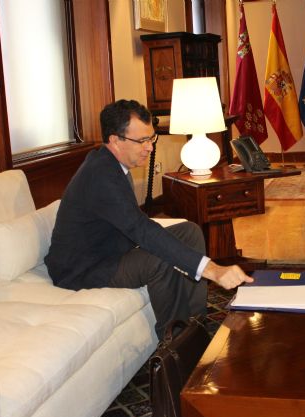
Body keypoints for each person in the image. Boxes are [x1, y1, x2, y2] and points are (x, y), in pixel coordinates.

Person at [45, 99, 252, 339]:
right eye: (142, 141)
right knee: (159, 260)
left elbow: (135, 223)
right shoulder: (100, 176)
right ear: (115, 140)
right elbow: (140, 228)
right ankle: (177, 338)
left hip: (110, 250)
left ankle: (197, 322)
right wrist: (213, 270)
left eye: (151, 138)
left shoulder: (114, 165)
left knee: (190, 231)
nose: (150, 148)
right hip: (84, 268)